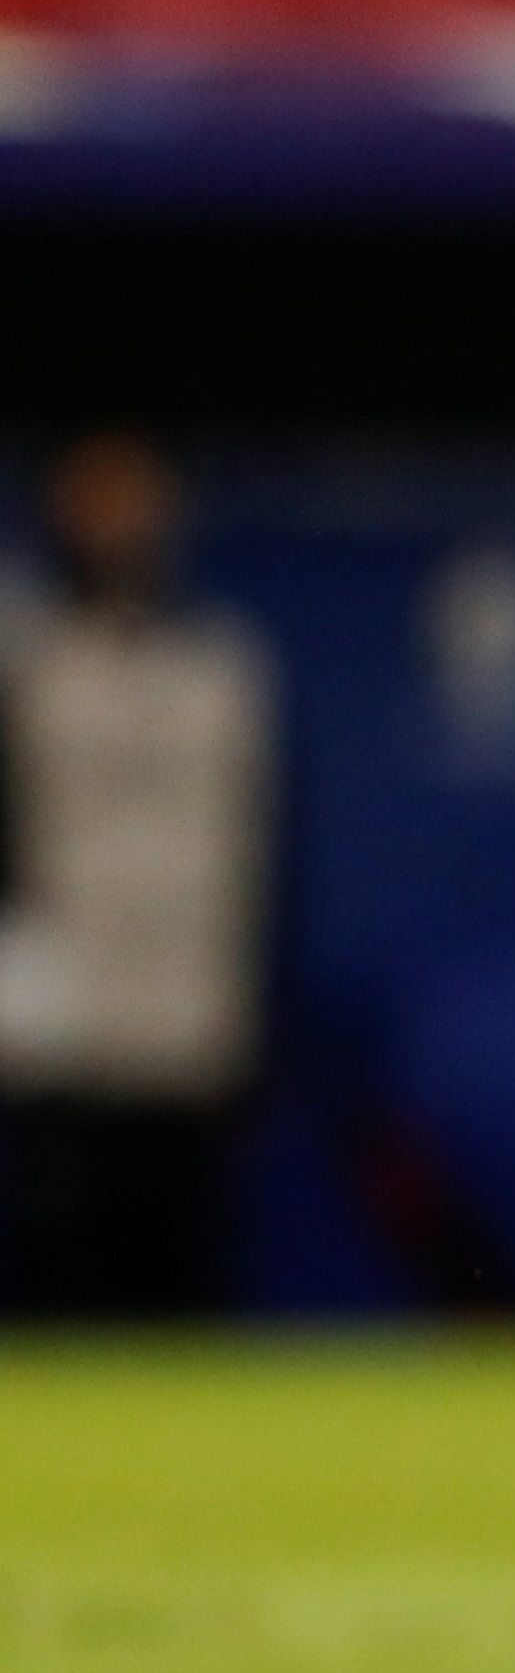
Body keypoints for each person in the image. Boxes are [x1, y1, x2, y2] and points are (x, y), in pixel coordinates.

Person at [0, 434, 278, 1317]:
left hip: (186, 1019)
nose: (120, 530)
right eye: (98, 505)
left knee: (180, 1267)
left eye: (138, 505)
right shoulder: (27, 663)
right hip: (56, 1020)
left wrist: (253, 1009)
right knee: (57, 1263)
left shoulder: (221, 669)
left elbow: (262, 853)